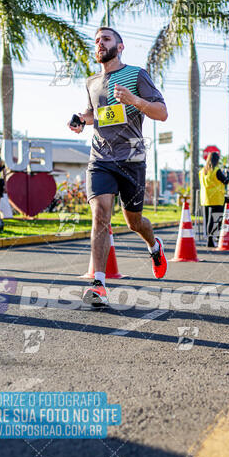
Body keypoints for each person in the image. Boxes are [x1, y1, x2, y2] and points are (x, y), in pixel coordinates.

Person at [69, 27, 168, 306]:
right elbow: (95, 114)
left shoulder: (136, 75)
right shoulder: (91, 83)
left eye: (106, 39)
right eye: (97, 40)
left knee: (133, 222)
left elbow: (162, 112)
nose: (100, 43)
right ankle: (98, 283)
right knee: (100, 214)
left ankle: (154, 245)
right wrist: (79, 118)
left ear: (120, 46)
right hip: (100, 159)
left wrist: (134, 100)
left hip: (132, 159)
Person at [199, 152, 229, 248]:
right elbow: (226, 181)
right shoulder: (216, 171)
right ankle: (211, 239)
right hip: (216, 198)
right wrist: (227, 174)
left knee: (208, 219)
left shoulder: (202, 171)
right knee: (215, 219)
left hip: (205, 199)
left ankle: (210, 239)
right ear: (217, 160)